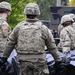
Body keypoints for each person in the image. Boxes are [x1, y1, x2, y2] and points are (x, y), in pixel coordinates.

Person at [2, 3, 62, 75]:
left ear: (25, 14)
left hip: (23, 63)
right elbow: (52, 46)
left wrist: (4, 58)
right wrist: (58, 60)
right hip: (39, 62)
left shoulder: (18, 27)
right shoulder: (43, 28)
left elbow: (10, 44)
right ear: (37, 14)